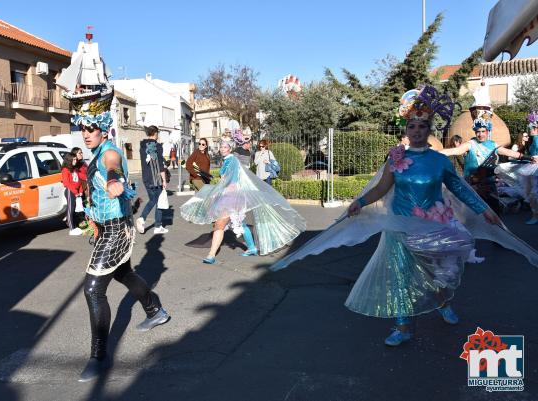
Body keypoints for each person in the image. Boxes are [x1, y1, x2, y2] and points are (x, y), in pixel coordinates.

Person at [270, 85, 538, 347]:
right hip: (400, 227)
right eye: (412, 126)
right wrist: (360, 202)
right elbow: (382, 188)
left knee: (436, 275)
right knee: (401, 278)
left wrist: (485, 210)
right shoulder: (395, 158)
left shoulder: (440, 161)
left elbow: (459, 189)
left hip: (435, 226)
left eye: (422, 126)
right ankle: (402, 327)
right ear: (406, 130)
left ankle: (443, 303)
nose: (417, 130)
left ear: (428, 129)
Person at [61, 59, 170, 381]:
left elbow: (112, 167)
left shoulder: (109, 152)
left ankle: (99, 357)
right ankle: (155, 310)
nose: (86, 133)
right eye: (82, 127)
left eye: (91, 128)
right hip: (106, 228)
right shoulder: (93, 153)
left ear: (104, 126)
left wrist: (113, 181)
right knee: (123, 273)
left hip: (116, 231)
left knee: (93, 288)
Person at [181, 138, 306, 264]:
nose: (222, 149)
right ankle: (251, 248)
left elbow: (231, 181)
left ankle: (211, 255)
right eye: (221, 147)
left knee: (220, 224)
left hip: (231, 196)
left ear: (229, 149)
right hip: (230, 195)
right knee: (240, 223)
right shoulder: (228, 160)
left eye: (225, 147)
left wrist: (219, 191)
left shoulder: (232, 160)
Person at [440, 110, 534, 217]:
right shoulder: (470, 144)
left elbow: (509, 152)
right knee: (474, 216)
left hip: (489, 186)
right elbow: (454, 151)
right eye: (478, 132)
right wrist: (433, 152)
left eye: (483, 131)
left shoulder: (493, 145)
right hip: (473, 186)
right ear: (475, 132)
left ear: (487, 132)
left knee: (494, 215)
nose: (480, 134)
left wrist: (529, 157)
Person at [136, 126, 168, 234]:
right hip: (155, 178)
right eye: (157, 133)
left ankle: (155, 225)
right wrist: (164, 180)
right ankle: (145, 219)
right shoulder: (157, 146)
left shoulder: (142, 146)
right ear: (155, 133)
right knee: (158, 200)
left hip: (146, 177)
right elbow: (160, 164)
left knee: (154, 199)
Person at [61, 153, 84, 235]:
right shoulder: (65, 170)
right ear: (69, 160)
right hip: (70, 191)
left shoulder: (75, 169)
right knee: (71, 210)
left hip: (76, 192)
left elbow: (79, 181)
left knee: (74, 209)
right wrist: (75, 192)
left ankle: (73, 225)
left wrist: (80, 191)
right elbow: (67, 183)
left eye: (75, 159)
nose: (75, 161)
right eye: (73, 159)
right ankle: (71, 229)